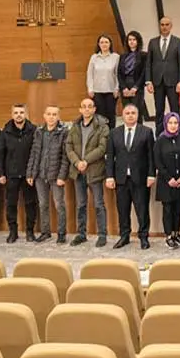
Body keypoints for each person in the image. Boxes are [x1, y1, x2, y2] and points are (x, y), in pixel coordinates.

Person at [107, 104, 156, 250]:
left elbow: (151, 156)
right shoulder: (114, 133)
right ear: (123, 115)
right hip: (121, 178)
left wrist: (151, 174)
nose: (130, 115)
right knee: (123, 209)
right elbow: (110, 156)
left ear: (137, 115)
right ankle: (124, 236)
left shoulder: (146, 132)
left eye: (133, 113)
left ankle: (143, 237)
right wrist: (109, 176)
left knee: (142, 210)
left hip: (140, 178)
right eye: (127, 113)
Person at [66, 98, 110, 247]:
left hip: (94, 170)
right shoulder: (75, 126)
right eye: (84, 106)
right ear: (80, 109)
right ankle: (81, 234)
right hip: (78, 171)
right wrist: (77, 162)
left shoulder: (102, 126)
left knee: (98, 204)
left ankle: (102, 235)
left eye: (89, 106)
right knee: (81, 205)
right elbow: (68, 146)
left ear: (94, 109)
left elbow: (102, 148)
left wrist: (86, 161)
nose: (86, 109)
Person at [27, 105, 70, 243]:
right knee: (43, 204)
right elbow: (34, 153)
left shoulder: (64, 132)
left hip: (56, 175)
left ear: (58, 116)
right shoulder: (39, 131)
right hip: (40, 174)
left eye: (54, 114)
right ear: (44, 116)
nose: (51, 117)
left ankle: (61, 233)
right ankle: (45, 232)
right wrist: (30, 173)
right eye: (49, 114)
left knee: (59, 205)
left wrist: (62, 176)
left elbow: (65, 157)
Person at [0, 104, 38, 243]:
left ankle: (30, 231)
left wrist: (33, 172)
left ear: (26, 114)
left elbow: (36, 152)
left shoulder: (34, 130)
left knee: (30, 203)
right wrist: (0, 173)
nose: (19, 115)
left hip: (28, 174)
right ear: (12, 114)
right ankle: (13, 232)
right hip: (11, 174)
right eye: (16, 112)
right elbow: (0, 153)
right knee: (11, 204)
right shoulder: (5, 132)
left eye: (21, 112)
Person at [154, 113, 180, 249]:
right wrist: (168, 178)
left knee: (178, 209)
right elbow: (158, 161)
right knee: (168, 209)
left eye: (176, 123)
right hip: (166, 181)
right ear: (165, 124)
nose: (173, 126)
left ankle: (177, 233)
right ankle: (168, 235)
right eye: (170, 123)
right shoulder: (160, 140)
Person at [146, 16, 180, 130]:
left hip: (173, 82)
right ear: (159, 26)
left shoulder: (178, 42)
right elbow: (148, 63)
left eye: (167, 24)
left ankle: (177, 134)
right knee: (159, 110)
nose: (164, 27)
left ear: (171, 26)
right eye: (162, 25)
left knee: (175, 109)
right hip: (157, 81)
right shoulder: (153, 42)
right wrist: (148, 81)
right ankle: (159, 135)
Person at [88, 34, 122, 127]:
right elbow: (90, 74)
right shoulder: (94, 57)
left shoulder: (116, 57)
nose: (104, 44)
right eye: (102, 42)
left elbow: (118, 74)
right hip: (97, 91)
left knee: (111, 113)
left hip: (111, 90)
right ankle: (101, 133)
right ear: (98, 44)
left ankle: (111, 133)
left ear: (110, 44)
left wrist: (117, 88)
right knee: (99, 114)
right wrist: (90, 89)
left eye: (106, 42)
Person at [118, 31, 150, 124]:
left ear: (138, 41)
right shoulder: (123, 56)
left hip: (137, 85)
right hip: (125, 85)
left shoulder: (143, 55)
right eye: (130, 40)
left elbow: (144, 73)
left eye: (134, 39)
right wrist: (123, 88)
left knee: (136, 112)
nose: (131, 42)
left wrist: (135, 87)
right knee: (127, 112)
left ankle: (138, 132)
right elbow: (119, 73)